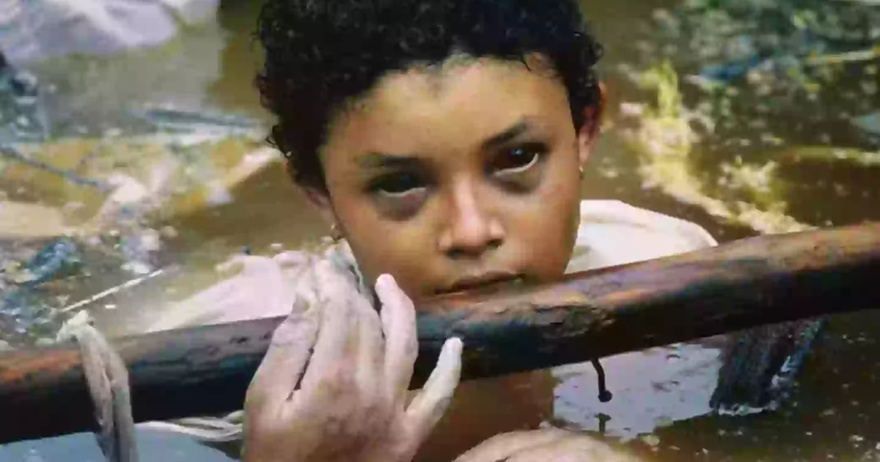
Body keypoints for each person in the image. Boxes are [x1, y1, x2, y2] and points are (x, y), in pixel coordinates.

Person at [144, 0, 718, 459]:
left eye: (519, 157)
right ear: (319, 192)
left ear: (585, 130)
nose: (471, 232)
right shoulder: (210, 396)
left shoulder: (681, 288)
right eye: (399, 184)